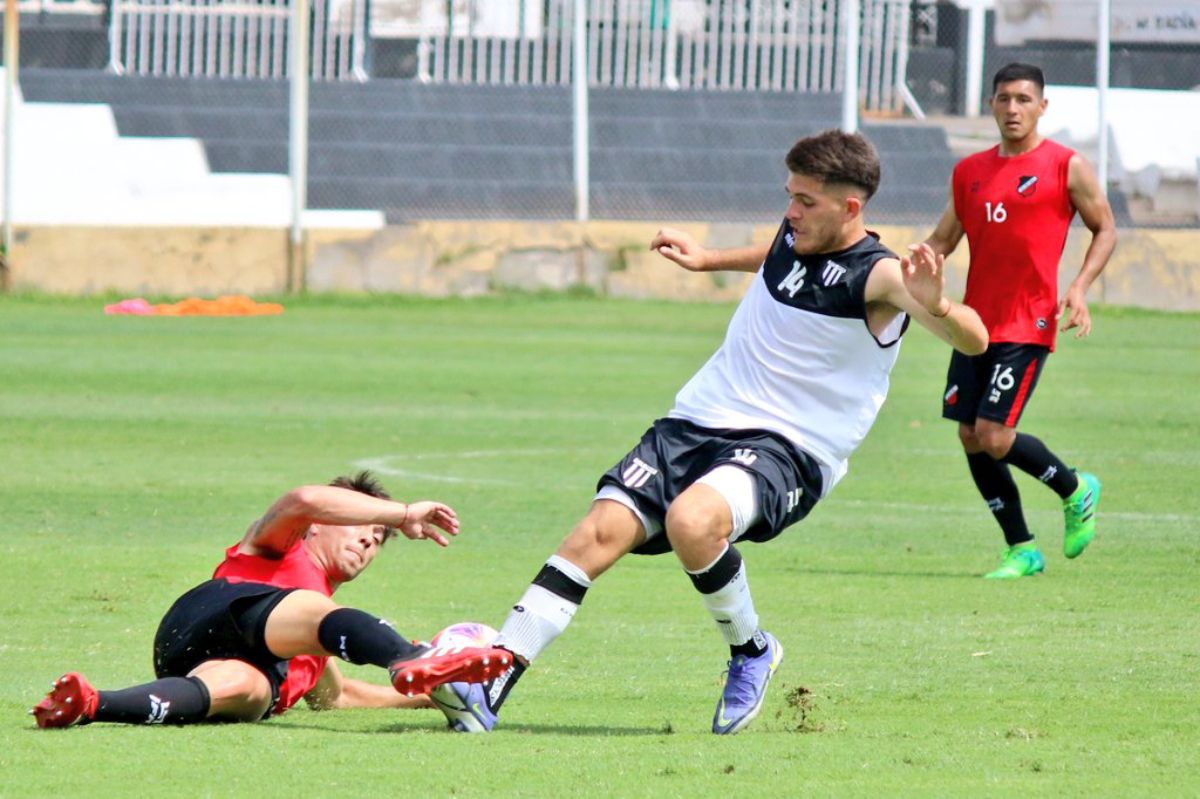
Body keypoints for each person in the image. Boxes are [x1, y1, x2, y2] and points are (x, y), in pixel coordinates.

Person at [428, 129, 990, 735]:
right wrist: (706, 260)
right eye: (789, 195)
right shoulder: (795, 233)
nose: (790, 211)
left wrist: (936, 306)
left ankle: (751, 651)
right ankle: (490, 688)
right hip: (697, 419)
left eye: (805, 201)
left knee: (694, 522)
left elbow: (975, 339)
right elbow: (776, 257)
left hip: (788, 447)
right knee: (596, 532)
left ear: (850, 208)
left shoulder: (880, 276)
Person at [31, 471, 512, 728]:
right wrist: (402, 512)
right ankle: (410, 656)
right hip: (213, 615)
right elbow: (303, 498)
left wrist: (431, 698)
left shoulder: (326, 628)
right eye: (361, 526)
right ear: (320, 523)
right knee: (312, 612)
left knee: (248, 689)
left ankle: (90, 704)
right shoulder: (277, 549)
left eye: (379, 538)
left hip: (212, 667)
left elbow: (338, 699)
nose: (370, 540)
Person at [916, 63, 1117, 579]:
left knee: (996, 435)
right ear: (991, 104)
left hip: (1029, 321)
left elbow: (1105, 228)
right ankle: (1022, 548)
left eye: (1024, 99)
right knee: (969, 435)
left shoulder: (1065, 166)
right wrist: (900, 274)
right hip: (973, 324)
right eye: (1004, 99)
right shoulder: (969, 173)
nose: (1013, 108)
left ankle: (1075, 490)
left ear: (1042, 106)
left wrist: (1078, 287)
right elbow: (943, 239)